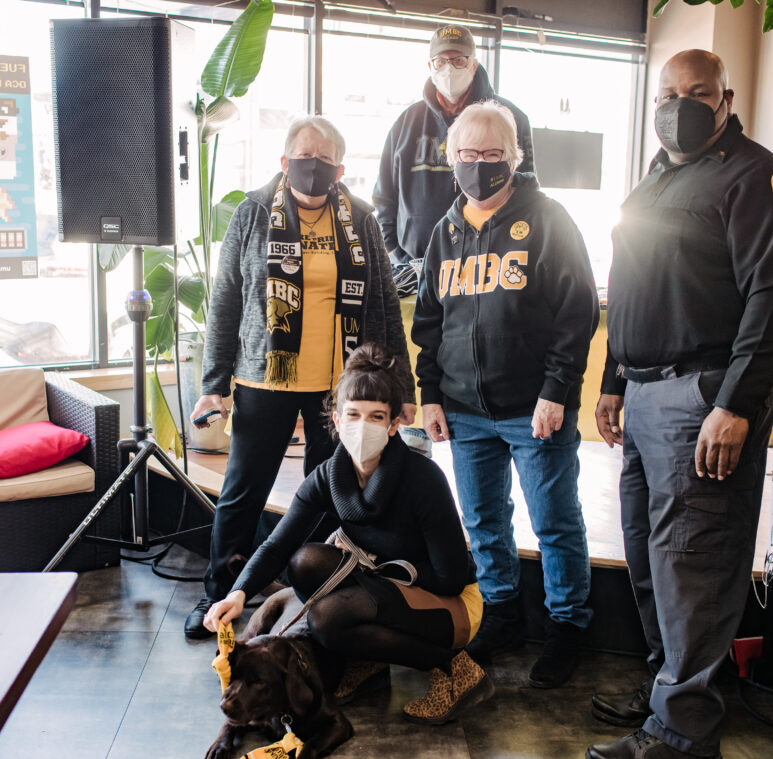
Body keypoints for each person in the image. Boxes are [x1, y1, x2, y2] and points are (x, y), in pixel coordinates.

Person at [585, 50, 773, 759]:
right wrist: (614, 378)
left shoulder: (759, 178)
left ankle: (685, 733)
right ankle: (666, 696)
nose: (680, 104)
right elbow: (631, 283)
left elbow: (772, 298)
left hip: (703, 396)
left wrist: (735, 405)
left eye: (698, 93)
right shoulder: (656, 175)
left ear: (726, 99)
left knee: (695, 562)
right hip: (645, 388)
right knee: (653, 559)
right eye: (669, 93)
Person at [185, 117, 416, 639]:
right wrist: (214, 383)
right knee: (243, 491)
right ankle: (220, 595)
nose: (313, 168)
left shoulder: (359, 218)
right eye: (303, 157)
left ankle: (307, 590)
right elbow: (226, 301)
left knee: (329, 493)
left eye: (324, 159)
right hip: (264, 380)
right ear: (284, 162)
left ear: (339, 166)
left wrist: (403, 390)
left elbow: (382, 303)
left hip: (340, 389)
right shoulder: (252, 213)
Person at [411, 101, 599, 689]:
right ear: (451, 158)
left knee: (554, 520)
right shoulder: (444, 232)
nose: (480, 165)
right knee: (484, 521)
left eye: (493, 155)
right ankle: (503, 613)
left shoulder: (548, 219)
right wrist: (432, 396)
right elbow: (429, 323)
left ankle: (568, 625)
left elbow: (577, 313)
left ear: (514, 158)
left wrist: (556, 391)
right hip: (465, 413)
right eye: (468, 155)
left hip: (533, 409)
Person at [203, 343, 492, 724]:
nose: (362, 427)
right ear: (337, 420)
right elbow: (278, 545)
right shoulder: (329, 475)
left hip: (449, 604)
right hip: (386, 587)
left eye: (375, 417)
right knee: (304, 562)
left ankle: (459, 672)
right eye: (353, 415)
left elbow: (452, 577)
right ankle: (369, 660)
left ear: (393, 425)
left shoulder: (423, 479)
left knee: (327, 620)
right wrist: (237, 593)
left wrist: (379, 577)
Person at [374, 24, 534, 274]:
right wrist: (395, 251)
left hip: (488, 266)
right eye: (440, 61)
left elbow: (527, 191)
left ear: (473, 64)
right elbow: (384, 196)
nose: (449, 68)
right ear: (430, 67)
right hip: (414, 266)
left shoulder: (511, 118)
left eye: (459, 60)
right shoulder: (406, 123)